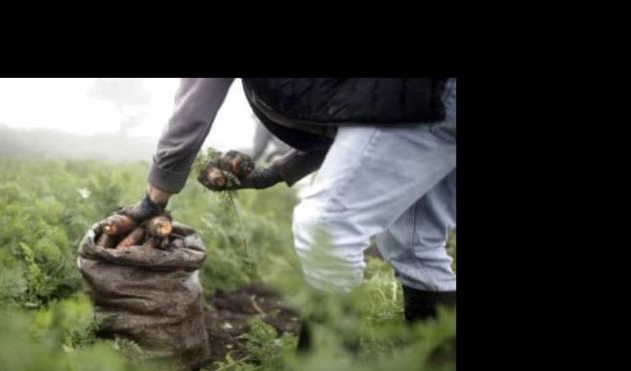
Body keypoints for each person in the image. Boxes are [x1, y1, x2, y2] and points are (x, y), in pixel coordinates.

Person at [118, 78, 456, 322]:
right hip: (433, 97)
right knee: (415, 244)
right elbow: (356, 113)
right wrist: (276, 172)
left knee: (325, 227)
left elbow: (192, 109)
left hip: (426, 92)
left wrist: (154, 199)